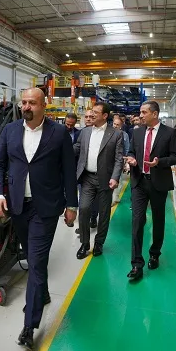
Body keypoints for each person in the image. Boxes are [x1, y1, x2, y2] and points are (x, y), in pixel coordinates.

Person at [0, 88, 78, 350]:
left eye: (32, 103)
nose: (26, 107)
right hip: (18, 205)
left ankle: (29, 325)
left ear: (44, 106)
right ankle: (44, 293)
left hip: (46, 207)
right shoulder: (10, 131)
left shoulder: (59, 133)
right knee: (31, 256)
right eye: (24, 102)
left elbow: (68, 170)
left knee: (37, 262)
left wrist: (72, 204)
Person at [124, 101, 176, 281]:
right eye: (140, 112)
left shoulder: (169, 133)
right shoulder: (137, 132)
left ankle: (155, 253)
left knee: (158, 220)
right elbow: (131, 151)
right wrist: (132, 159)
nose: (140, 115)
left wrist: (159, 162)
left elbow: (175, 157)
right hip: (139, 182)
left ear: (154, 114)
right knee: (137, 221)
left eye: (144, 112)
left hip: (158, 183)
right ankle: (136, 264)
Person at [73, 103, 123, 259]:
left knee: (104, 213)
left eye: (95, 112)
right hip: (87, 178)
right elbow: (77, 148)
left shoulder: (115, 134)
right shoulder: (85, 132)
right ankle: (84, 243)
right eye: (91, 112)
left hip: (105, 179)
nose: (91, 115)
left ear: (105, 116)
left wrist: (115, 177)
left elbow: (119, 158)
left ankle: (99, 242)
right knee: (84, 209)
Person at [112, 115, 130, 204]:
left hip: (119, 160)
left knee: (118, 179)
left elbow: (127, 148)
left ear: (121, 126)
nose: (115, 126)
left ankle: (115, 197)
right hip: (109, 160)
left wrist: (125, 161)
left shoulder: (125, 135)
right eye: (114, 124)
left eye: (117, 124)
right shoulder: (108, 133)